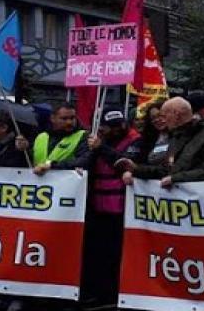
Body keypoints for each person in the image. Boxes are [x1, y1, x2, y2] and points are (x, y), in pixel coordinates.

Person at [82, 108, 141, 307]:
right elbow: (85, 165)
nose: (118, 129)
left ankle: (113, 294)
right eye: (111, 126)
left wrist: (101, 148)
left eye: (120, 124)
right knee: (98, 253)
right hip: (98, 206)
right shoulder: (97, 141)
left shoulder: (135, 141)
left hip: (122, 209)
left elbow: (124, 164)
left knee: (116, 254)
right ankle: (98, 292)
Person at [121, 97, 204, 187]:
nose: (163, 120)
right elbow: (166, 169)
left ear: (176, 115)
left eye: (164, 116)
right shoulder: (175, 136)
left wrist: (175, 178)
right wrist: (136, 169)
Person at [16, 103, 90, 175]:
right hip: (40, 184)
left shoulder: (84, 136)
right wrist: (23, 150)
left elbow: (83, 161)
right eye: (64, 118)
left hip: (66, 184)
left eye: (72, 118)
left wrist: (51, 165)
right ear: (52, 118)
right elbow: (28, 163)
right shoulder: (41, 136)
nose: (69, 122)